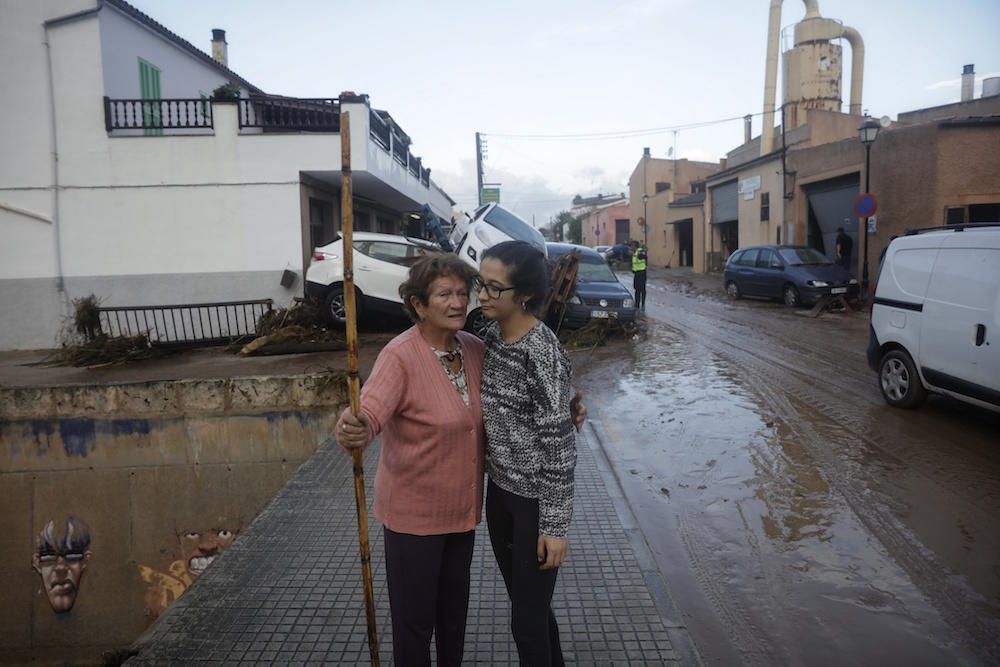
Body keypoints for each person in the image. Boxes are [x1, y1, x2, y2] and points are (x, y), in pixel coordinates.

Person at [334, 253, 585, 666]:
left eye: (464, 292)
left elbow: (533, 394)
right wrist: (353, 426)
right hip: (414, 520)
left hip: (463, 518)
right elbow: (371, 410)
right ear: (418, 304)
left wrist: (563, 408)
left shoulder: (473, 347)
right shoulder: (402, 355)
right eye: (444, 294)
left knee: (459, 622)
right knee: (416, 627)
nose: (460, 302)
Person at [475, 240, 577, 666]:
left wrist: (554, 526)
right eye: (480, 282)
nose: (481, 294)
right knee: (529, 608)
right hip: (499, 495)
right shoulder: (489, 335)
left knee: (525, 622)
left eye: (493, 288)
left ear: (525, 296)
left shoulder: (540, 349)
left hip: (534, 505)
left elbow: (560, 447)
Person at [631, 240, 648, 309]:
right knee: (636, 288)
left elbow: (644, 257)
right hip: (636, 273)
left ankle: (642, 303)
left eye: (632, 246)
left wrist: (641, 254)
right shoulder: (634, 253)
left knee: (642, 288)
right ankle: (637, 304)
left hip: (641, 272)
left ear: (635, 246)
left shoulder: (640, 251)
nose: (631, 247)